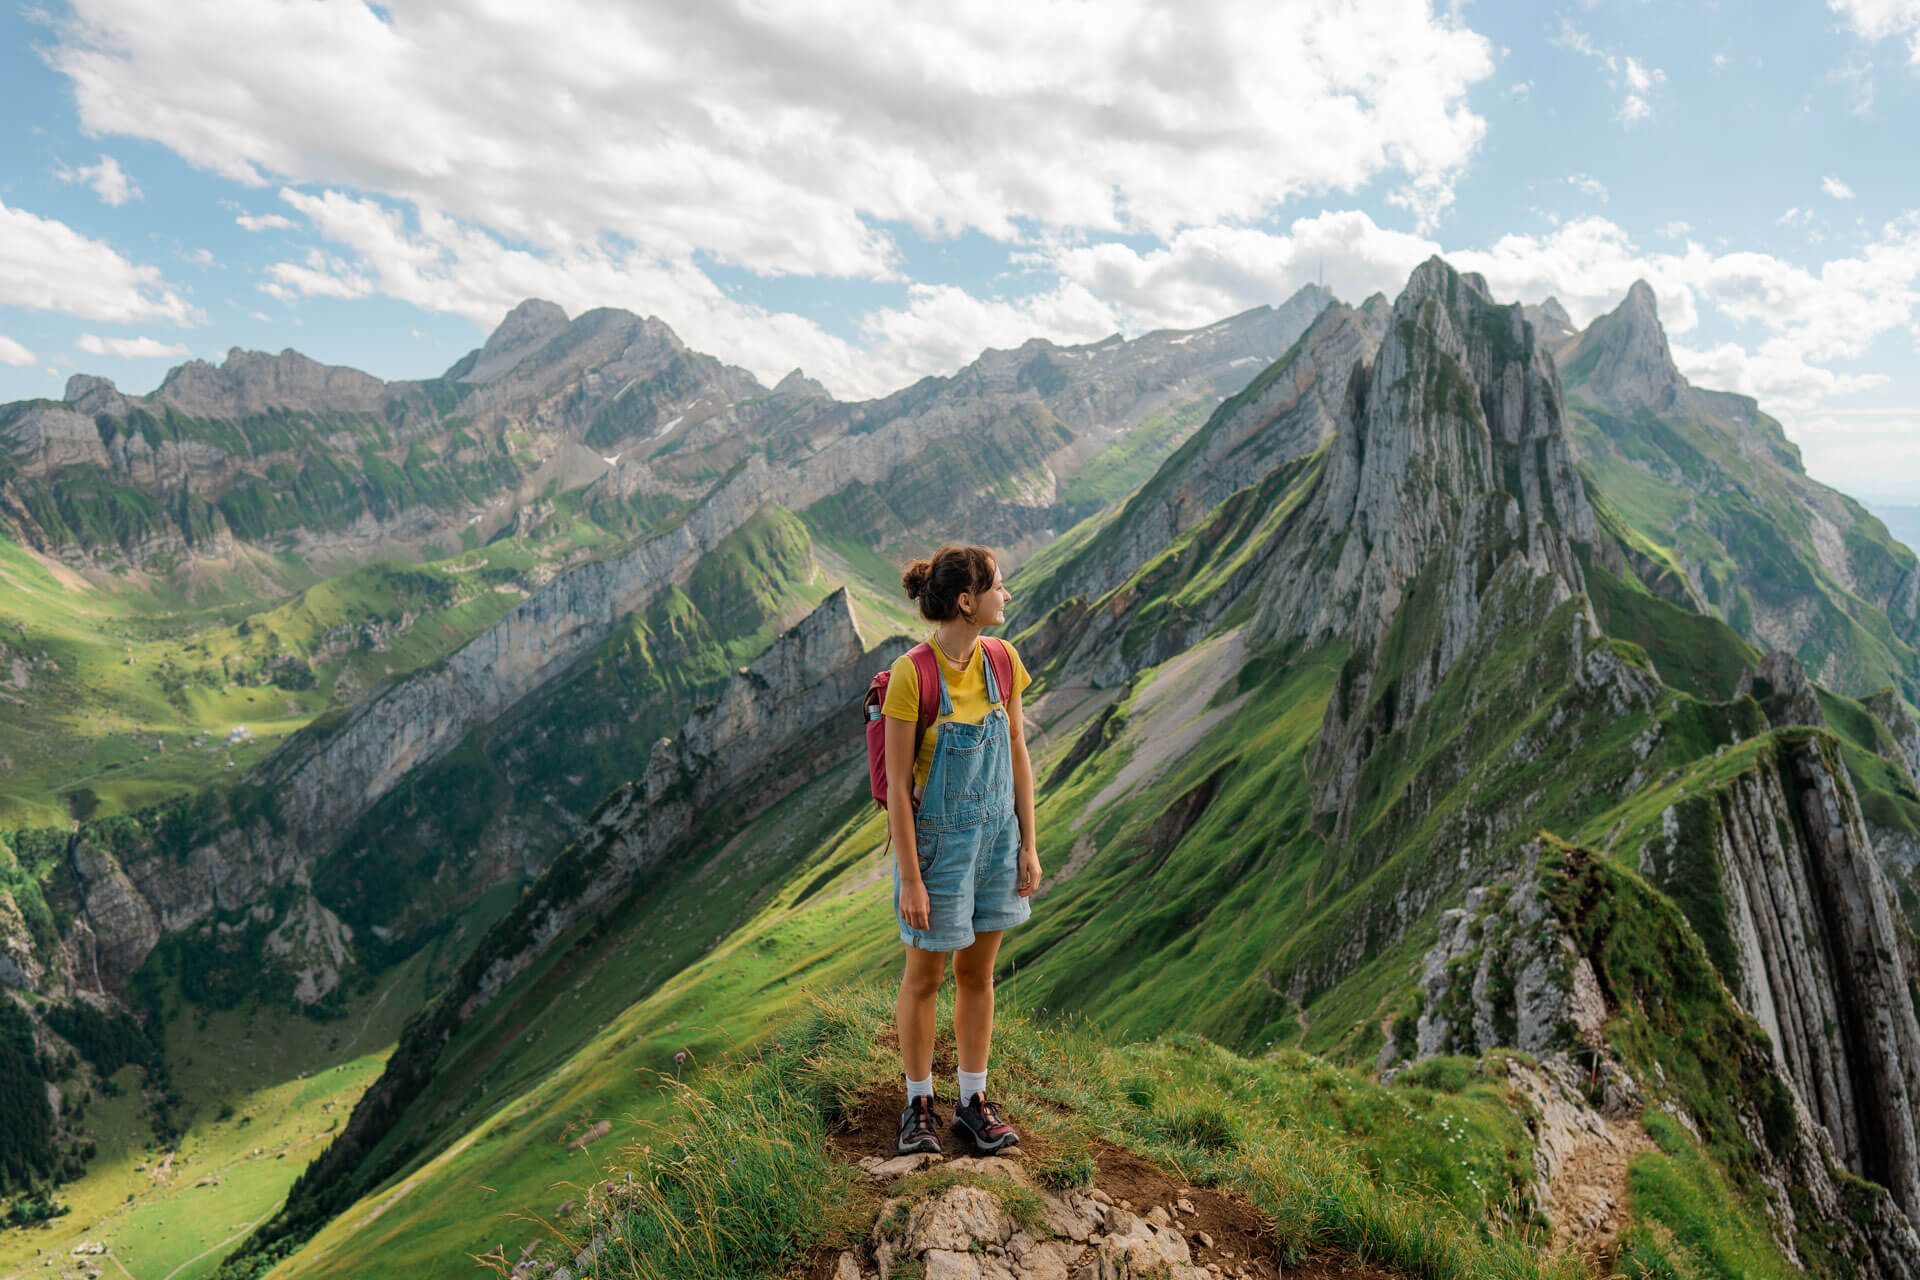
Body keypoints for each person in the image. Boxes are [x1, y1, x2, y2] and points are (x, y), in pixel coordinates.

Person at [883, 543, 1041, 1155]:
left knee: (977, 973)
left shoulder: (1003, 661)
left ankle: (972, 1101)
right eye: (998, 586)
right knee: (924, 977)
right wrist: (912, 878)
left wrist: (1029, 843)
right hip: (939, 849)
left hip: (998, 838)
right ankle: (918, 1101)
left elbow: (1019, 756)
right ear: (967, 602)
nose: (1007, 594)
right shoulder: (912, 675)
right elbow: (898, 788)